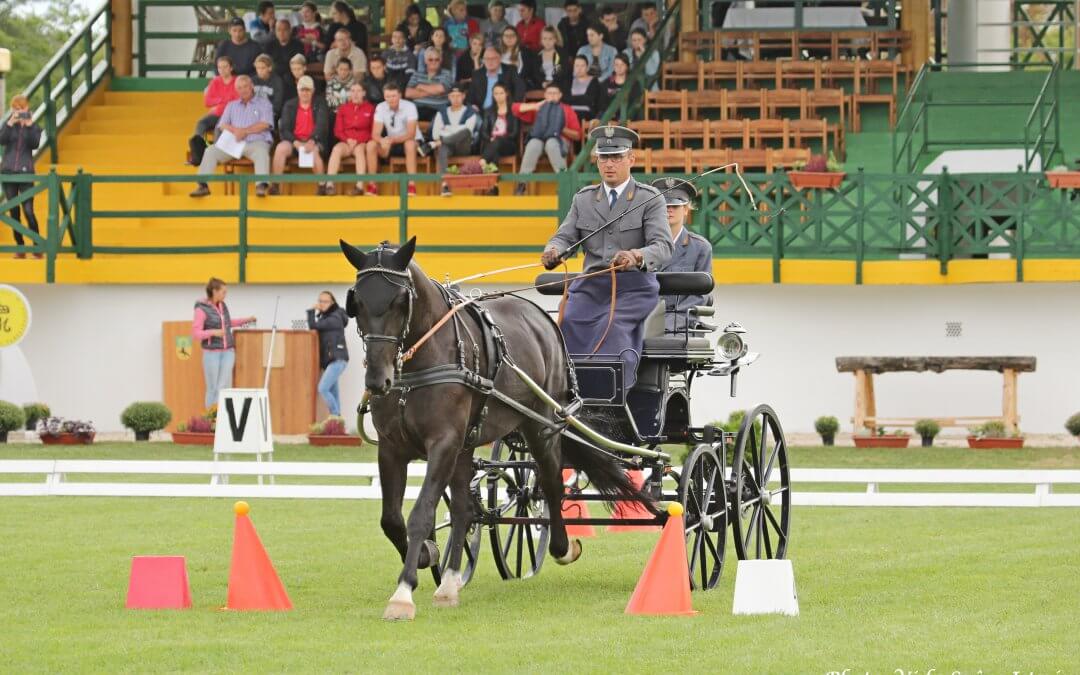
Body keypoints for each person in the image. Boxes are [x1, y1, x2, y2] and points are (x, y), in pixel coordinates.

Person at [540, 125, 672, 387]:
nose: (609, 164)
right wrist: (553, 250)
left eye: (616, 158)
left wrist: (636, 256)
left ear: (631, 159)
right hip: (590, 286)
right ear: (597, 160)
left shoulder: (650, 198)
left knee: (611, 329)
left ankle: (608, 397)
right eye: (604, 158)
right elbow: (565, 237)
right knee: (567, 323)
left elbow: (663, 247)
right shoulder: (584, 199)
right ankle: (564, 394)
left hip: (633, 288)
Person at [191, 75, 274, 198]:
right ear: (236, 90)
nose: (243, 90)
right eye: (239, 88)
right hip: (235, 142)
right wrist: (236, 131)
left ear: (251, 86)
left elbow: (266, 124)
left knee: (262, 152)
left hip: (256, 142)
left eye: (245, 86)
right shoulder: (232, 105)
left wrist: (245, 131)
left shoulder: (264, 103)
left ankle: (261, 186)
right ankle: (203, 186)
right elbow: (222, 125)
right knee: (210, 151)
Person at [653, 177, 712, 331]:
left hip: (683, 326)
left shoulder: (700, 248)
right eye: (665, 205)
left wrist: (668, 324)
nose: (669, 210)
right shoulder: (641, 245)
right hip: (645, 321)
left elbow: (699, 296)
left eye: (675, 205)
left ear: (686, 210)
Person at [193, 278, 256, 409]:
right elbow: (196, 333)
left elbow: (228, 323)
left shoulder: (222, 305)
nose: (225, 295)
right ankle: (211, 420)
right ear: (214, 291)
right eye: (223, 292)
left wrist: (246, 320)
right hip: (211, 354)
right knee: (213, 388)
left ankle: (221, 418)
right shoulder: (201, 309)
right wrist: (213, 332)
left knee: (223, 387)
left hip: (228, 352)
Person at [511, 83, 580, 194]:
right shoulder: (539, 107)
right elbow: (514, 109)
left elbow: (577, 135)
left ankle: (564, 182)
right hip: (539, 140)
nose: (552, 96)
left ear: (560, 95)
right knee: (533, 143)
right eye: (549, 93)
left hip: (558, 141)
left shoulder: (567, 109)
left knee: (551, 143)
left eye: (555, 93)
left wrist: (561, 128)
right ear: (545, 95)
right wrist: (534, 106)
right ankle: (522, 183)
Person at [0, 95, 43, 259]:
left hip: (25, 173)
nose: (19, 112)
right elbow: (1, 140)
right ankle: (20, 248)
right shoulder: (8, 126)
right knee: (14, 213)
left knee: (28, 211)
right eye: (16, 109)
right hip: (9, 173)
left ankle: (37, 245)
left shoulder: (34, 127)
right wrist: (11, 122)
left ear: (27, 109)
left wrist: (29, 125)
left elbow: (35, 144)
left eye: (22, 109)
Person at [271, 75, 329, 193]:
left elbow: (322, 125)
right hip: (295, 141)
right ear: (298, 91)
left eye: (308, 90)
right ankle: (275, 186)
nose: (305, 93)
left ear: (312, 91)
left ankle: (322, 186)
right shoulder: (289, 105)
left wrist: (312, 140)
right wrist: (295, 142)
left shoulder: (320, 103)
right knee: (280, 148)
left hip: (314, 140)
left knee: (314, 151)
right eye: (302, 90)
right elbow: (284, 129)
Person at [365, 82, 420, 196]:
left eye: (394, 96)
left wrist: (392, 140)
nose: (391, 99)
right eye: (388, 96)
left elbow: (411, 134)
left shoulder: (410, 106)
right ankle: (372, 186)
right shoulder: (381, 107)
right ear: (384, 96)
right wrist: (382, 141)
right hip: (391, 142)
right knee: (371, 145)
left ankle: (412, 185)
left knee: (409, 144)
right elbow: (375, 133)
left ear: (400, 95)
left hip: (409, 141)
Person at [325, 82, 375, 196]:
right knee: (336, 149)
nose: (355, 94)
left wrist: (358, 141)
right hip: (346, 141)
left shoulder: (371, 108)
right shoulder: (343, 108)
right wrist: (348, 140)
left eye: (358, 91)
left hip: (361, 142)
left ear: (364, 93)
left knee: (359, 151)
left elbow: (372, 132)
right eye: (352, 91)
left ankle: (359, 186)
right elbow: (338, 130)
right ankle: (329, 185)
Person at [188, 56, 238, 166]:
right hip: (217, 113)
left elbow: (236, 102)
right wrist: (223, 100)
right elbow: (207, 101)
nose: (222, 70)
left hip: (231, 115)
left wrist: (219, 103)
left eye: (225, 67)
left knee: (218, 127)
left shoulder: (237, 81)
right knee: (201, 123)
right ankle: (198, 153)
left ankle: (215, 156)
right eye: (220, 67)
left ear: (231, 68)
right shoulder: (215, 81)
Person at [307, 291, 350, 416]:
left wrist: (311, 310)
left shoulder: (334, 318)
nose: (321, 304)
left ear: (332, 303)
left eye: (325, 301)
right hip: (334, 360)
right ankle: (337, 423)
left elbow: (313, 325)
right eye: (320, 301)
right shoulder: (328, 317)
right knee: (333, 391)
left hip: (337, 360)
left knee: (323, 388)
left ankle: (336, 416)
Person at [432, 85, 480, 196]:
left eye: (458, 96)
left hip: (463, 147)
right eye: (452, 96)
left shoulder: (470, 112)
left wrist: (446, 130)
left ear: (463, 96)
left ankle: (443, 141)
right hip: (448, 147)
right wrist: (456, 130)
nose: (455, 99)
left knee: (465, 132)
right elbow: (435, 134)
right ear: (448, 97)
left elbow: (468, 131)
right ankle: (445, 185)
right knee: (442, 149)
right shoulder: (442, 112)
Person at [478, 82, 519, 191]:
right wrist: (490, 138)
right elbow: (484, 132)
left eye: (501, 93)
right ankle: (493, 187)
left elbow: (514, 133)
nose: (498, 96)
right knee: (494, 151)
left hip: (508, 144)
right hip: (492, 144)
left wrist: (499, 139)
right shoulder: (488, 111)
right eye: (496, 93)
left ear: (507, 94)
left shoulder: (513, 110)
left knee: (497, 141)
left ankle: (483, 160)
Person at [406, 48, 453, 121]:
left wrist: (419, 86)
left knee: (435, 123)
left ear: (440, 60)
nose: (433, 62)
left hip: (438, 109)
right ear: (425, 61)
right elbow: (408, 93)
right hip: (418, 108)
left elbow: (441, 89)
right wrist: (433, 92)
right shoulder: (417, 74)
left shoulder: (447, 74)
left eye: (436, 59)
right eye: (430, 59)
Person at [564, 54, 603, 121]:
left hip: (587, 115)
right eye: (577, 66)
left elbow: (589, 100)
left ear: (587, 67)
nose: (579, 69)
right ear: (573, 67)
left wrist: (572, 98)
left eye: (582, 66)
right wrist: (582, 97)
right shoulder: (569, 81)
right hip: (570, 114)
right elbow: (565, 99)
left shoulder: (594, 81)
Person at [531, 25, 567, 90]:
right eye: (544, 38)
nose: (547, 42)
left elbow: (561, 72)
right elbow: (536, 73)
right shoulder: (537, 54)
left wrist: (551, 83)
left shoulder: (561, 53)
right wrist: (543, 82)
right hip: (541, 85)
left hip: (559, 85)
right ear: (541, 40)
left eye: (550, 39)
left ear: (555, 39)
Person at [252, 54, 285, 122]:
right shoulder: (252, 80)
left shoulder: (277, 81)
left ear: (270, 68)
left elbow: (277, 104)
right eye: (258, 68)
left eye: (263, 68)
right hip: (253, 112)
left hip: (270, 113)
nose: (260, 71)